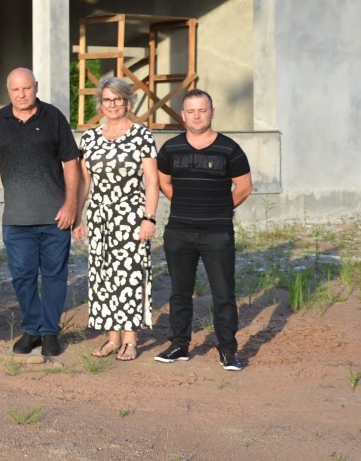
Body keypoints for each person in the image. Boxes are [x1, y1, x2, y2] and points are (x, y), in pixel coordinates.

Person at [0, 67, 80, 358]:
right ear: (8, 91)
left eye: (26, 88)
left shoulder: (53, 117)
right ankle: (33, 328)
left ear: (35, 86)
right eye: (15, 89)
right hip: (17, 218)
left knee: (54, 276)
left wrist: (71, 204)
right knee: (22, 276)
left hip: (55, 217)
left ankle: (49, 332)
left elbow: (72, 163)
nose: (21, 94)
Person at [154, 89, 253, 371]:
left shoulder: (230, 149)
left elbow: (244, 187)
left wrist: (217, 209)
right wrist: (187, 205)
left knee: (223, 293)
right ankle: (179, 345)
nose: (197, 116)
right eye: (191, 111)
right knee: (179, 292)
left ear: (212, 112)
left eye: (202, 110)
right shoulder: (170, 148)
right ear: (183, 115)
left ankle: (228, 350)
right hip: (179, 231)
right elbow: (164, 183)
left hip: (217, 233)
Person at [72, 77, 159, 362]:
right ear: (100, 103)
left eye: (118, 99)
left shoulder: (142, 136)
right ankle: (112, 338)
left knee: (130, 274)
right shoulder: (90, 137)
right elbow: (85, 181)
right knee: (103, 274)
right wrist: (78, 216)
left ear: (128, 102)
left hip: (131, 215)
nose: (112, 105)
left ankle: (130, 340)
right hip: (98, 216)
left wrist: (149, 218)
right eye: (107, 99)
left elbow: (152, 181)